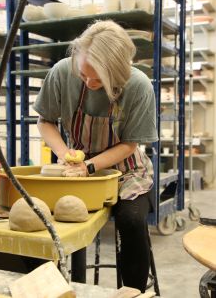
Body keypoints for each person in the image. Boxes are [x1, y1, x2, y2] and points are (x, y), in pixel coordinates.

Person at [33, 20, 158, 292]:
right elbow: (45, 121)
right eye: (83, 75)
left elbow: (129, 144)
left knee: (132, 221)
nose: (89, 83)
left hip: (127, 170)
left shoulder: (138, 86)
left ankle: (133, 291)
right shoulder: (61, 72)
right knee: (51, 219)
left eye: (99, 79)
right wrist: (65, 153)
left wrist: (89, 166)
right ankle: (62, 288)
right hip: (76, 167)